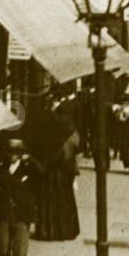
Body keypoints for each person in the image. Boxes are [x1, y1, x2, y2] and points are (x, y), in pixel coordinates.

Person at [32, 101, 81, 241]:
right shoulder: (69, 127)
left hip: (49, 170)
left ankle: (47, 231)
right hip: (64, 171)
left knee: (47, 201)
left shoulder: (47, 126)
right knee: (65, 200)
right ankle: (66, 230)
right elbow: (75, 145)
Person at [0, 139, 41, 256]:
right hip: (5, 213)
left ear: (21, 153)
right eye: (10, 152)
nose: (12, 155)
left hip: (22, 214)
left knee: (19, 253)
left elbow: (42, 173)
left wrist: (31, 159)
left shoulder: (28, 167)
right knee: (3, 250)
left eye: (16, 152)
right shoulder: (1, 168)